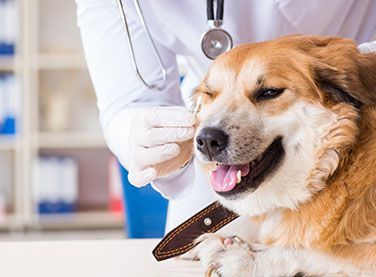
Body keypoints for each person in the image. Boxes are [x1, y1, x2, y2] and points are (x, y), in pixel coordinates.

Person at [75, 0, 376, 232]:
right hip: (210, 116)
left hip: (350, 105)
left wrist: (354, 69)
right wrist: (141, 135)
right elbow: (129, 99)